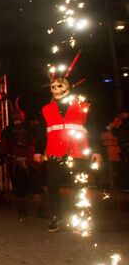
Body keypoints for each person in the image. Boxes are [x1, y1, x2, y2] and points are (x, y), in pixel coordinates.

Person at [34, 53, 102, 232]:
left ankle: (82, 216)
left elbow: (92, 127)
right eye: (52, 86)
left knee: (80, 185)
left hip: (78, 151)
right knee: (53, 186)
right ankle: (56, 216)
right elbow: (43, 131)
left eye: (58, 86)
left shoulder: (81, 105)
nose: (54, 89)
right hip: (55, 152)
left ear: (67, 87)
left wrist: (96, 150)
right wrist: (39, 150)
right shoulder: (46, 109)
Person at [0, 100, 43, 218]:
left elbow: (39, 142)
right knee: (19, 187)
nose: (16, 116)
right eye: (13, 115)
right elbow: (4, 145)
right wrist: (2, 156)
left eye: (18, 114)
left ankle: (39, 208)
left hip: (31, 162)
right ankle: (22, 208)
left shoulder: (32, 128)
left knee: (36, 186)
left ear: (23, 115)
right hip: (16, 163)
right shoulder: (7, 130)